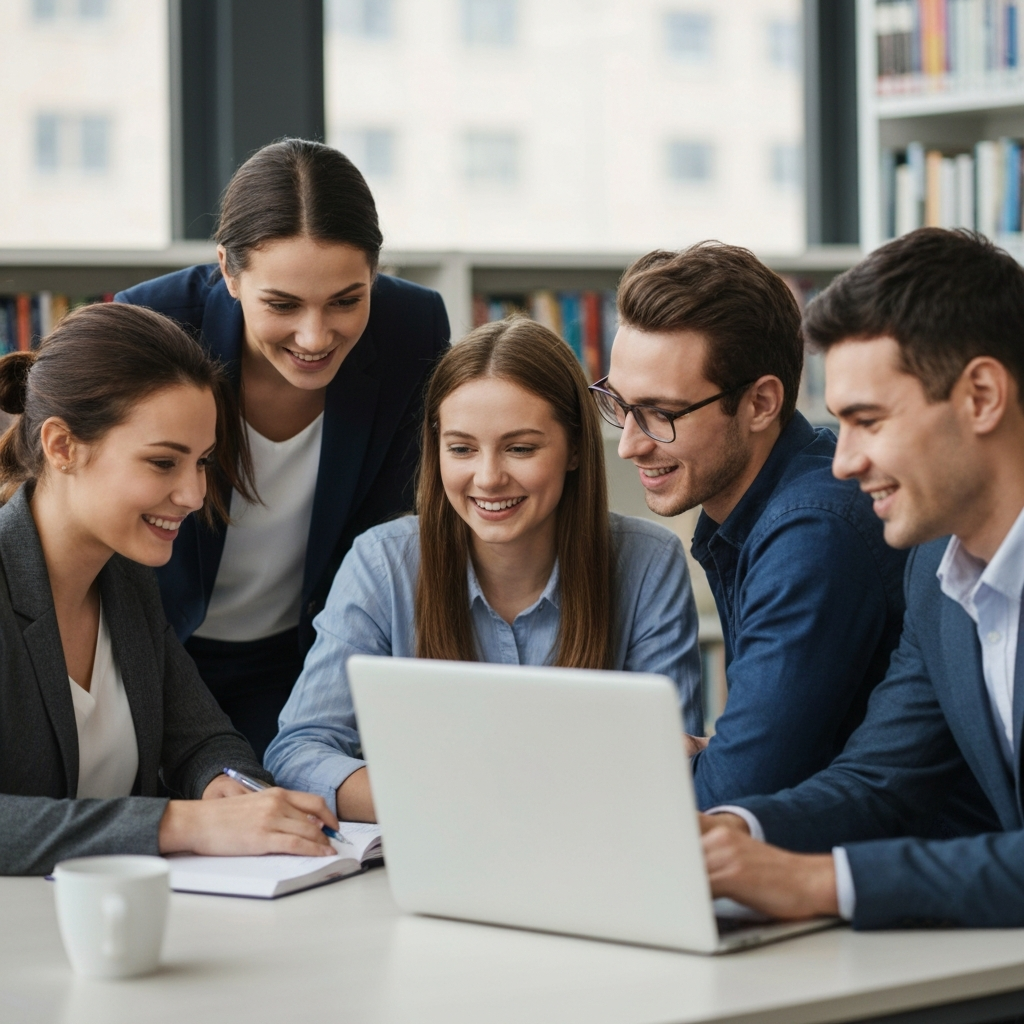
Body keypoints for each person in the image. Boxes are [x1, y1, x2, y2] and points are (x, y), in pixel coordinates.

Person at [700, 229, 1024, 930]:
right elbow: (880, 781)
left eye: (867, 421)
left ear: (981, 396)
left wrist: (822, 882)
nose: (842, 462)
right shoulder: (937, 578)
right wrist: (729, 834)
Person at [265, 318, 703, 822]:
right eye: (462, 448)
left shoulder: (648, 561)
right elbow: (298, 752)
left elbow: (672, 761)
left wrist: (485, 796)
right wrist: (454, 801)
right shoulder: (382, 562)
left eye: (520, 448)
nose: (489, 478)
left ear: (576, 448)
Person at [117, 139, 450, 760]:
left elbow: (390, 528)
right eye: (282, 304)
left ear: (374, 273)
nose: (315, 336)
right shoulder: (153, 323)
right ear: (228, 272)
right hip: (151, 648)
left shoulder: (414, 328)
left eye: (347, 300)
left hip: (306, 655)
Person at [0, 303, 339, 875]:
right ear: (61, 447)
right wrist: (182, 824)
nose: (194, 494)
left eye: (202, 462)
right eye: (163, 463)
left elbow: (205, 740)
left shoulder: (125, 579)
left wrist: (228, 791)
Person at [593, 243, 908, 808]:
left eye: (660, 414)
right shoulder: (771, 503)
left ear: (761, 403)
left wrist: (705, 762)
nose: (630, 444)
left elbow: (733, 796)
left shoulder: (812, 533)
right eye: (618, 403)